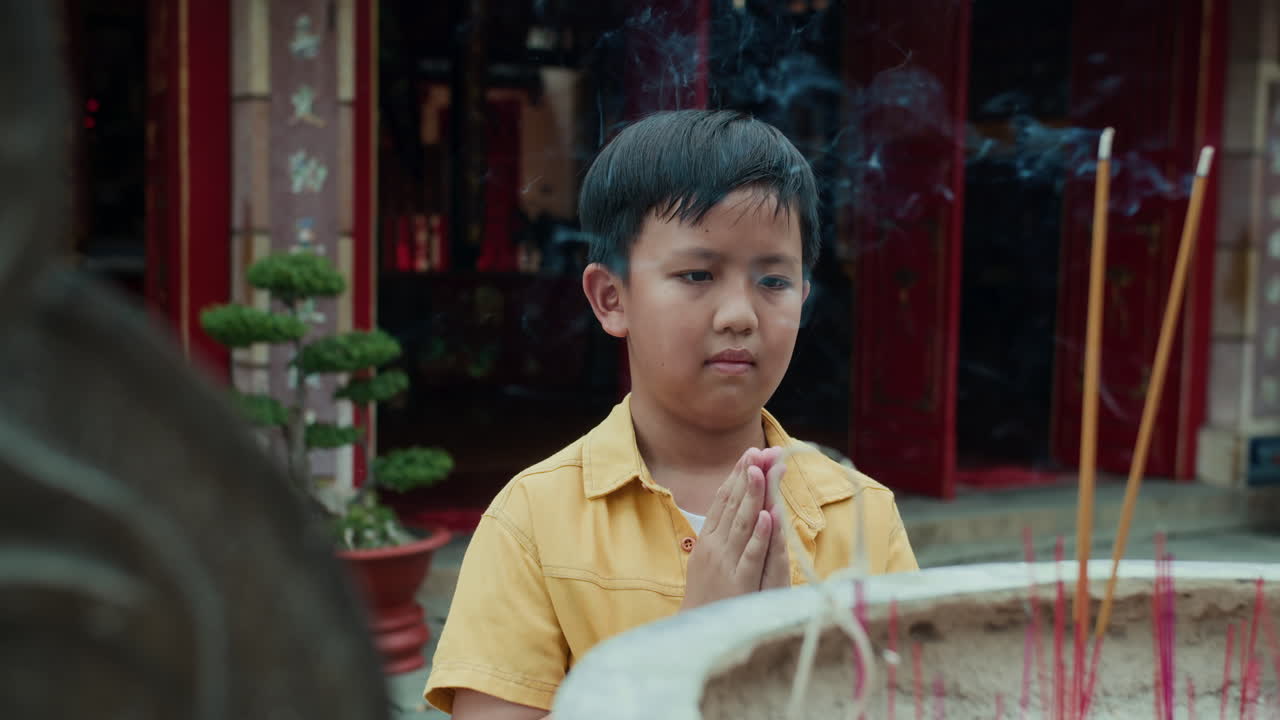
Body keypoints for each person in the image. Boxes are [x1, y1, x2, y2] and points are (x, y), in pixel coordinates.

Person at [424, 109, 918, 719]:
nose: (740, 313)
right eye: (697, 274)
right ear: (612, 298)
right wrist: (693, 642)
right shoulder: (533, 523)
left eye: (773, 280)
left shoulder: (861, 514)